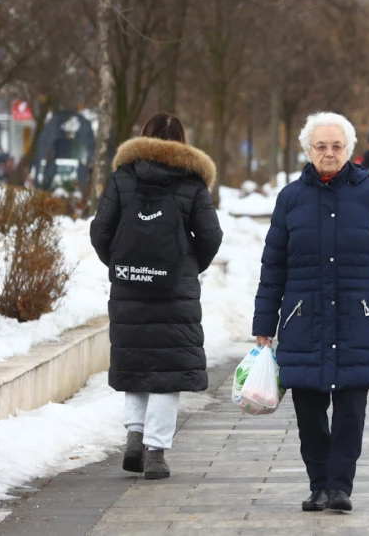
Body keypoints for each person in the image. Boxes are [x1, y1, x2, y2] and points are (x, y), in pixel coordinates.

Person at [252, 112, 369, 513]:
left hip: (359, 320)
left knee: (351, 413)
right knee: (308, 414)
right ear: (307, 150)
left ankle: (339, 487)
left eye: (336, 146)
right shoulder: (290, 198)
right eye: (320, 146)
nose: (329, 152)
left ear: (349, 150)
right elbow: (274, 267)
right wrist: (264, 324)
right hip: (304, 320)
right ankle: (318, 484)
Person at [89, 112, 223, 480]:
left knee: (136, 363)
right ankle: (155, 453)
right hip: (174, 290)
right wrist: (188, 265)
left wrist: (120, 263)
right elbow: (211, 236)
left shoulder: (123, 177)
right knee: (167, 371)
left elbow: (101, 229)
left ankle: (134, 436)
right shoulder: (193, 183)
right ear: (182, 141)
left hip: (130, 284)